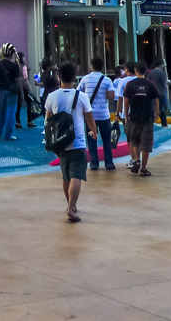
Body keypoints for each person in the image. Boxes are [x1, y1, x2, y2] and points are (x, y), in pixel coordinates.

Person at [46, 62, 96, 222]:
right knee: (77, 175)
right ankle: (72, 208)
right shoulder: (81, 96)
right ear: (74, 78)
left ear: (59, 77)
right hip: (78, 141)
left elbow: (48, 119)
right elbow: (89, 117)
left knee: (66, 175)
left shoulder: (52, 96)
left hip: (60, 143)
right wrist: (94, 132)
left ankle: (70, 204)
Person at [120, 61, 161, 176]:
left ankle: (136, 159)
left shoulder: (130, 85)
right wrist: (156, 113)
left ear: (136, 71)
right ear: (146, 71)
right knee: (146, 144)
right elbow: (156, 99)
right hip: (147, 118)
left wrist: (126, 116)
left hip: (134, 117)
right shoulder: (151, 84)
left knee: (135, 140)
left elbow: (126, 101)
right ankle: (143, 168)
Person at [77, 56, 116, 170]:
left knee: (91, 139)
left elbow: (79, 93)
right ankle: (109, 163)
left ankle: (94, 163)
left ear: (92, 66)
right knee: (106, 139)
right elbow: (111, 96)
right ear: (102, 67)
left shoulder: (85, 79)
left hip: (90, 115)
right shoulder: (107, 80)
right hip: (104, 114)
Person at [0, 43, 22, 141]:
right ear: (12, 54)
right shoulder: (14, 66)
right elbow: (18, 81)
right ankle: (8, 135)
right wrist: (20, 92)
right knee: (10, 112)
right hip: (12, 91)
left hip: (1, 91)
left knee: (1, 112)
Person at [148, 59, 170, 126]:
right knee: (161, 109)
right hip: (161, 93)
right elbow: (165, 82)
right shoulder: (161, 72)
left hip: (152, 93)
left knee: (154, 108)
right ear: (160, 64)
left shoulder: (151, 72)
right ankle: (163, 123)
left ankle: (152, 122)